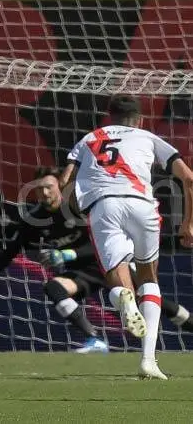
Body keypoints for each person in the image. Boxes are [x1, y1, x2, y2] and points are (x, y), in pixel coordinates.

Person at [0, 166, 193, 355]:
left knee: (152, 302)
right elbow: (10, 251)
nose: (45, 193)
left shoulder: (79, 208)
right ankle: (95, 340)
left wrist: (66, 254)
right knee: (53, 287)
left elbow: (101, 243)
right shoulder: (33, 219)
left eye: (49, 187)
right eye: (39, 189)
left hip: (110, 265)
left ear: (60, 187)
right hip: (81, 273)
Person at [61, 94, 193, 379]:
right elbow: (189, 178)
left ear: (109, 117)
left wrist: (72, 206)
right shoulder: (148, 137)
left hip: (104, 206)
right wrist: (188, 223)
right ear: (140, 119)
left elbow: (65, 180)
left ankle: (123, 298)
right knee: (149, 278)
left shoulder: (90, 138)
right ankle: (148, 360)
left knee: (115, 278)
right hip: (142, 206)